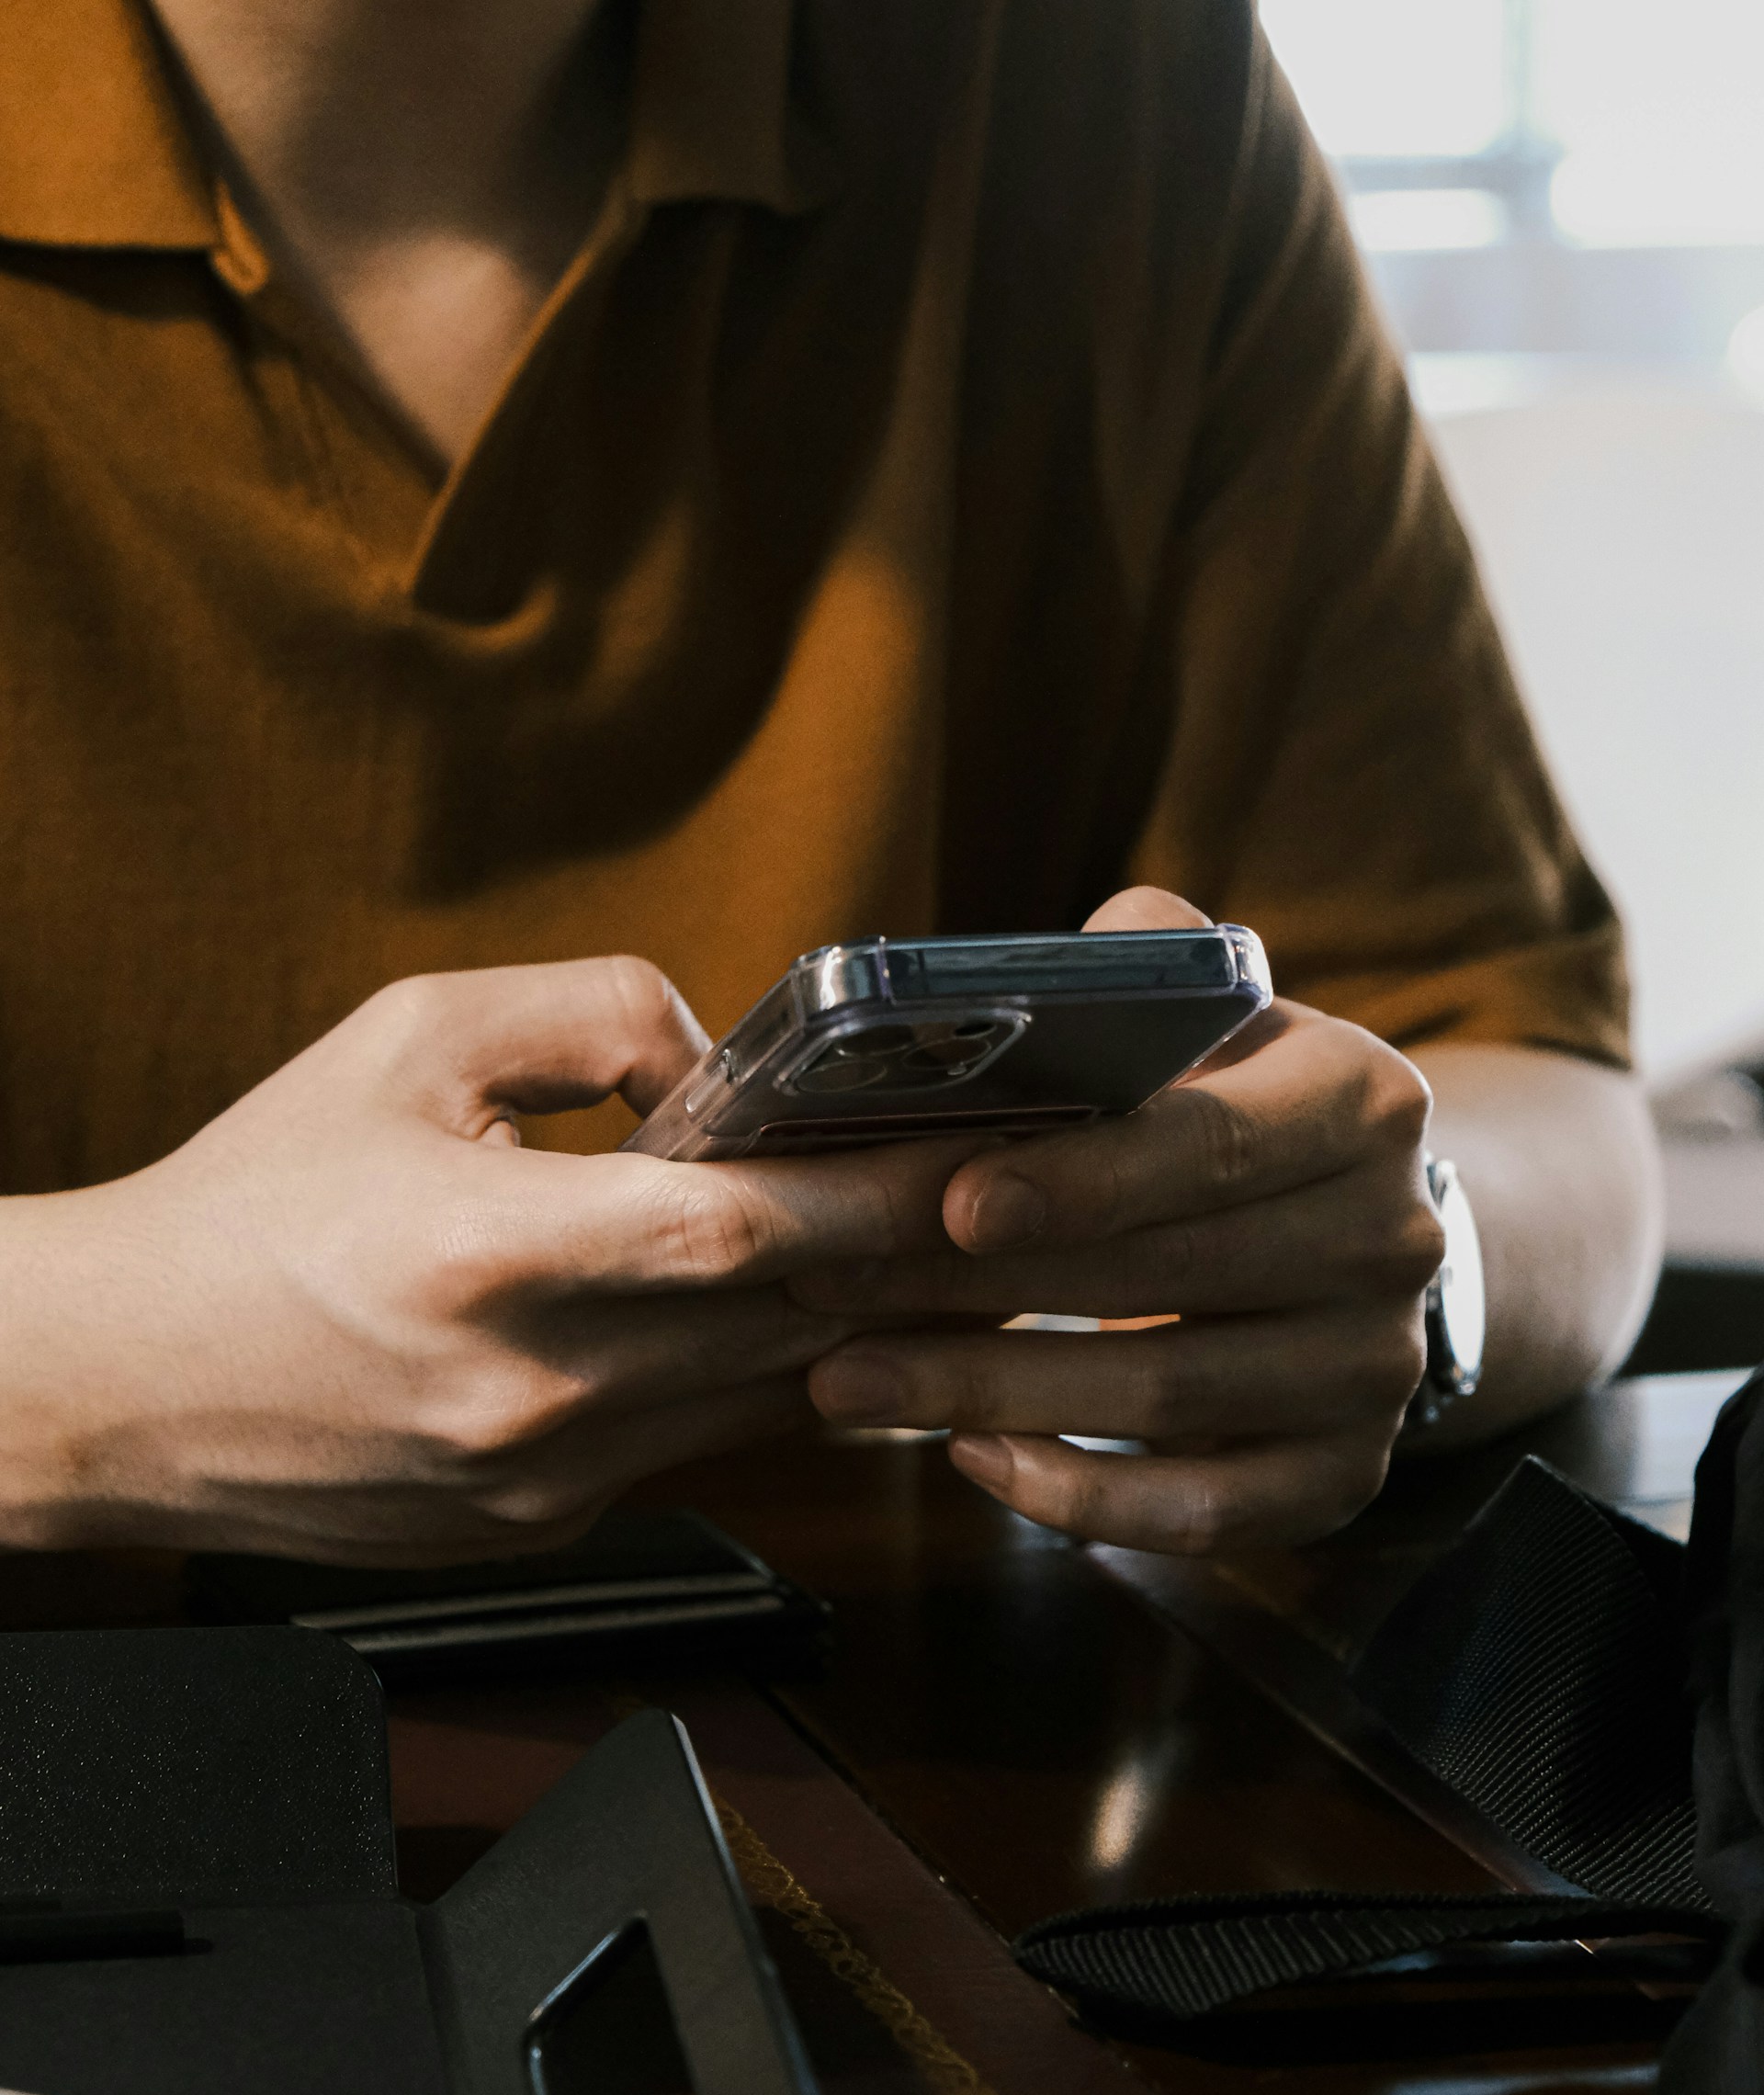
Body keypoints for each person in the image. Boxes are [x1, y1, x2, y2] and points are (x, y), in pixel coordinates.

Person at [0, 0, 1659, 1568]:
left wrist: (1409, 1272)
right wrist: (83, 1370)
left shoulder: (1100, 74)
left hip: (928, 1756)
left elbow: (1547, 1096)